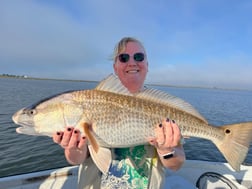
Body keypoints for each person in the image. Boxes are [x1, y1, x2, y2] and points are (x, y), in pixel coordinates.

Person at [53, 37, 195, 188]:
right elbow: (76, 159)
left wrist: (167, 150)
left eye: (139, 57)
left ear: (147, 65)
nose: (132, 62)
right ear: (115, 67)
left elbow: (175, 165)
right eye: (124, 57)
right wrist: (74, 148)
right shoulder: (90, 101)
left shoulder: (162, 107)